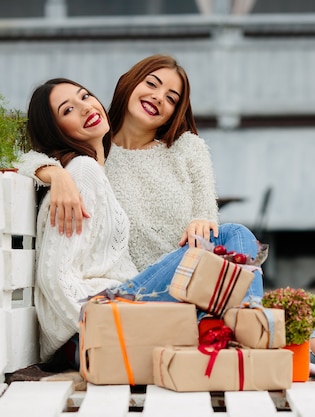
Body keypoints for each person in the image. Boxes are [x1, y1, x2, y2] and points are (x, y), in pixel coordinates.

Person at [27, 77, 263, 369]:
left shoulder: (93, 171)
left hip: (116, 310)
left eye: (85, 96)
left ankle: (246, 327)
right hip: (102, 319)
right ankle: (254, 331)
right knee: (231, 236)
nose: (85, 107)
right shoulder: (82, 171)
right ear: (55, 130)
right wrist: (93, 325)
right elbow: (54, 274)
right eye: (68, 110)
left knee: (220, 275)